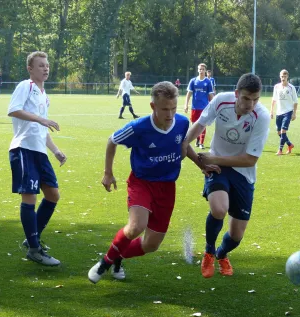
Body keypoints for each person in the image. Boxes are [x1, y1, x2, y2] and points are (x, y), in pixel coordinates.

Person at [88, 81, 220, 284]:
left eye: (173, 108)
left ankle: (118, 257)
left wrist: (200, 165)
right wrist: (108, 173)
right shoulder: (138, 128)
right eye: (165, 109)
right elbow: (112, 141)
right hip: (142, 183)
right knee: (136, 227)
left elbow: (183, 146)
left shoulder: (182, 123)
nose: (170, 114)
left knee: (151, 245)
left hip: (167, 187)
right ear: (153, 107)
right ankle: (105, 263)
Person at [182, 73, 270, 278]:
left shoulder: (262, 116)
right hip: (218, 168)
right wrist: (185, 142)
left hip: (242, 172)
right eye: (247, 98)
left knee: (237, 235)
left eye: (255, 99)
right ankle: (209, 252)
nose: (251, 104)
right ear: (237, 93)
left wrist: (214, 158)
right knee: (219, 209)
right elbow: (201, 124)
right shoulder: (222, 100)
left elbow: (250, 159)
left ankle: (222, 254)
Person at [8, 51, 67, 266]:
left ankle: (32, 237)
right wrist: (41, 119)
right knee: (30, 198)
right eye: (40, 65)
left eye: (47, 65)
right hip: (23, 149)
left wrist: (56, 150)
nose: (45, 68)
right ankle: (34, 248)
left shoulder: (44, 95)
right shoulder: (26, 86)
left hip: (39, 152)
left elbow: (42, 131)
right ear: (30, 69)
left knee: (53, 195)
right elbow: (13, 110)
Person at [184, 63, 214, 150]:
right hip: (194, 107)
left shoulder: (208, 82)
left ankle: (201, 143)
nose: (201, 71)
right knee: (194, 124)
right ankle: (197, 139)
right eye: (199, 69)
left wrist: (213, 106)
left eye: (202, 69)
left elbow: (211, 95)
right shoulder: (193, 81)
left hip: (204, 107)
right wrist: (186, 105)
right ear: (198, 70)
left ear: (205, 70)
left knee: (203, 125)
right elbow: (188, 94)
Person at [270, 69, 298, 155]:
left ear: (287, 77)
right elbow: (274, 100)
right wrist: (271, 111)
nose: (283, 78)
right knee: (279, 132)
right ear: (280, 76)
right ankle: (289, 144)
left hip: (288, 112)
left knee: (283, 131)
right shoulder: (276, 87)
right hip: (279, 112)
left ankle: (280, 150)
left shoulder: (291, 87)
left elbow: (295, 101)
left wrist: (294, 113)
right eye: (282, 76)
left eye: (285, 76)